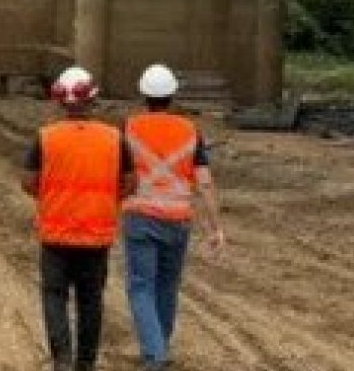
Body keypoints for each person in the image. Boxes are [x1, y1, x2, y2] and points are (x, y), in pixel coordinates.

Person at [21, 66, 134, 371]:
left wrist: (51, 197)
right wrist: (106, 199)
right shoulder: (114, 138)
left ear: (61, 101)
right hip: (96, 235)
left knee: (54, 296)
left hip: (56, 234)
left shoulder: (45, 137)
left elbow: (28, 181)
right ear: (92, 100)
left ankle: (62, 359)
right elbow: (130, 182)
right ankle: (85, 363)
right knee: (90, 300)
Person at [122, 65, 225, 371]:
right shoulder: (190, 131)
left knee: (141, 286)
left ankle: (155, 354)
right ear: (172, 95)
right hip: (178, 220)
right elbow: (204, 182)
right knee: (167, 285)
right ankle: (160, 347)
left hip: (140, 216)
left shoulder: (128, 127)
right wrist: (215, 228)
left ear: (143, 95)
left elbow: (118, 172)